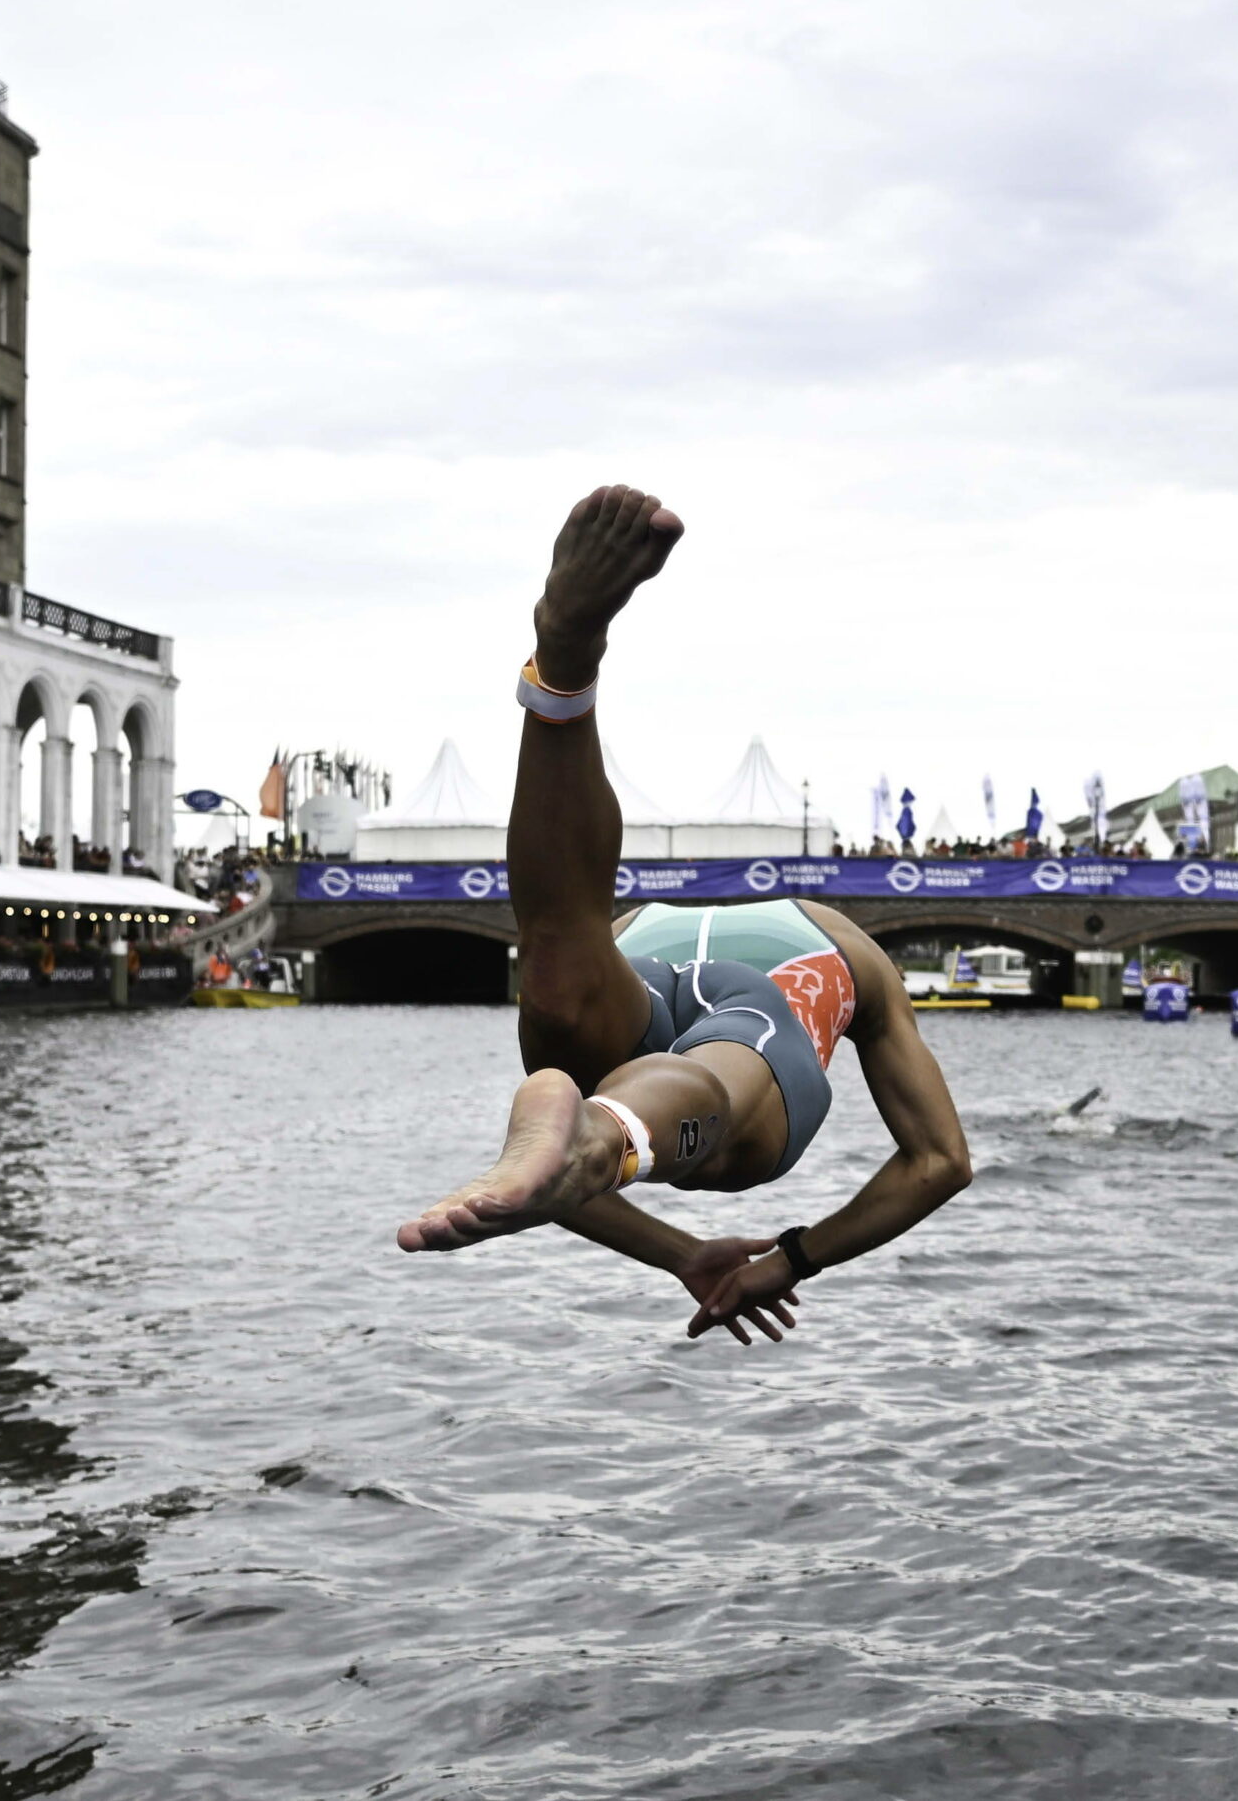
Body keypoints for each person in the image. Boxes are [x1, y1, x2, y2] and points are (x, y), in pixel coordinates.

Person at [395, 485, 975, 1344]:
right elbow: (939, 1162)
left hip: (641, 954)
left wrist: (678, 1253)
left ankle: (562, 675)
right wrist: (789, 1258)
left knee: (560, 951)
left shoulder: (642, 923)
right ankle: (607, 1133)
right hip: (774, 999)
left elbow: (539, 1172)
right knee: (724, 1076)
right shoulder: (848, 951)